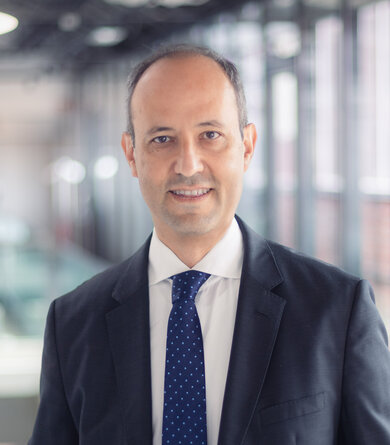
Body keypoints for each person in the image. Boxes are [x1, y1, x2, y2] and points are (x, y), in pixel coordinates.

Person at [29, 44, 390, 445]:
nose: (188, 164)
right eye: (162, 138)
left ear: (247, 145)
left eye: (210, 135)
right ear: (131, 155)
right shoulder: (74, 323)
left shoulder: (337, 309)